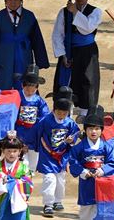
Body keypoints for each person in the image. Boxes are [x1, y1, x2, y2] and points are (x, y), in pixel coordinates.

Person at [52, 0, 102, 121]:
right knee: (68, 79)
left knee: (87, 79)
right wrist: (63, 54)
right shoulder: (64, 12)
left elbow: (87, 29)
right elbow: (57, 34)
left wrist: (75, 13)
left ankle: (86, 111)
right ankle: (66, 108)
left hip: (87, 51)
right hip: (70, 50)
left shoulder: (95, 11)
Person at [33, 87, 79, 218]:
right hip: (47, 154)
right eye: (59, 112)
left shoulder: (70, 123)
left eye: (64, 113)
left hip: (62, 155)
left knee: (60, 180)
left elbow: (75, 134)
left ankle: (58, 200)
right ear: (54, 110)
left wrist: (71, 140)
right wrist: (33, 146)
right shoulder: (45, 121)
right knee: (49, 179)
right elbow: (36, 134)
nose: (61, 115)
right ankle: (48, 204)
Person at [69, 106, 114, 220]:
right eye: (90, 128)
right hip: (87, 180)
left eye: (97, 128)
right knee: (86, 209)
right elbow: (72, 160)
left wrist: (102, 170)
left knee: (102, 207)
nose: (93, 131)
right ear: (85, 130)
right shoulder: (80, 147)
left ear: (101, 130)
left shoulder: (106, 147)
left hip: (102, 181)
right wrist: (83, 171)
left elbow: (112, 162)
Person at [0, 133, 32, 219]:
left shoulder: (24, 168)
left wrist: (12, 182)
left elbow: (28, 184)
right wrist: (0, 179)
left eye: (15, 151)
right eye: (9, 151)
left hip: (18, 201)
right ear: (3, 150)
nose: (11, 154)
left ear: (19, 151)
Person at [15, 64, 49, 171]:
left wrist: (38, 124)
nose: (29, 93)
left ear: (37, 88)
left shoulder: (39, 101)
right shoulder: (17, 97)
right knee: (20, 159)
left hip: (34, 132)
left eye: (32, 90)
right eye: (27, 90)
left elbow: (45, 115)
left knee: (33, 161)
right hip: (19, 130)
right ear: (22, 86)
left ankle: (31, 176)